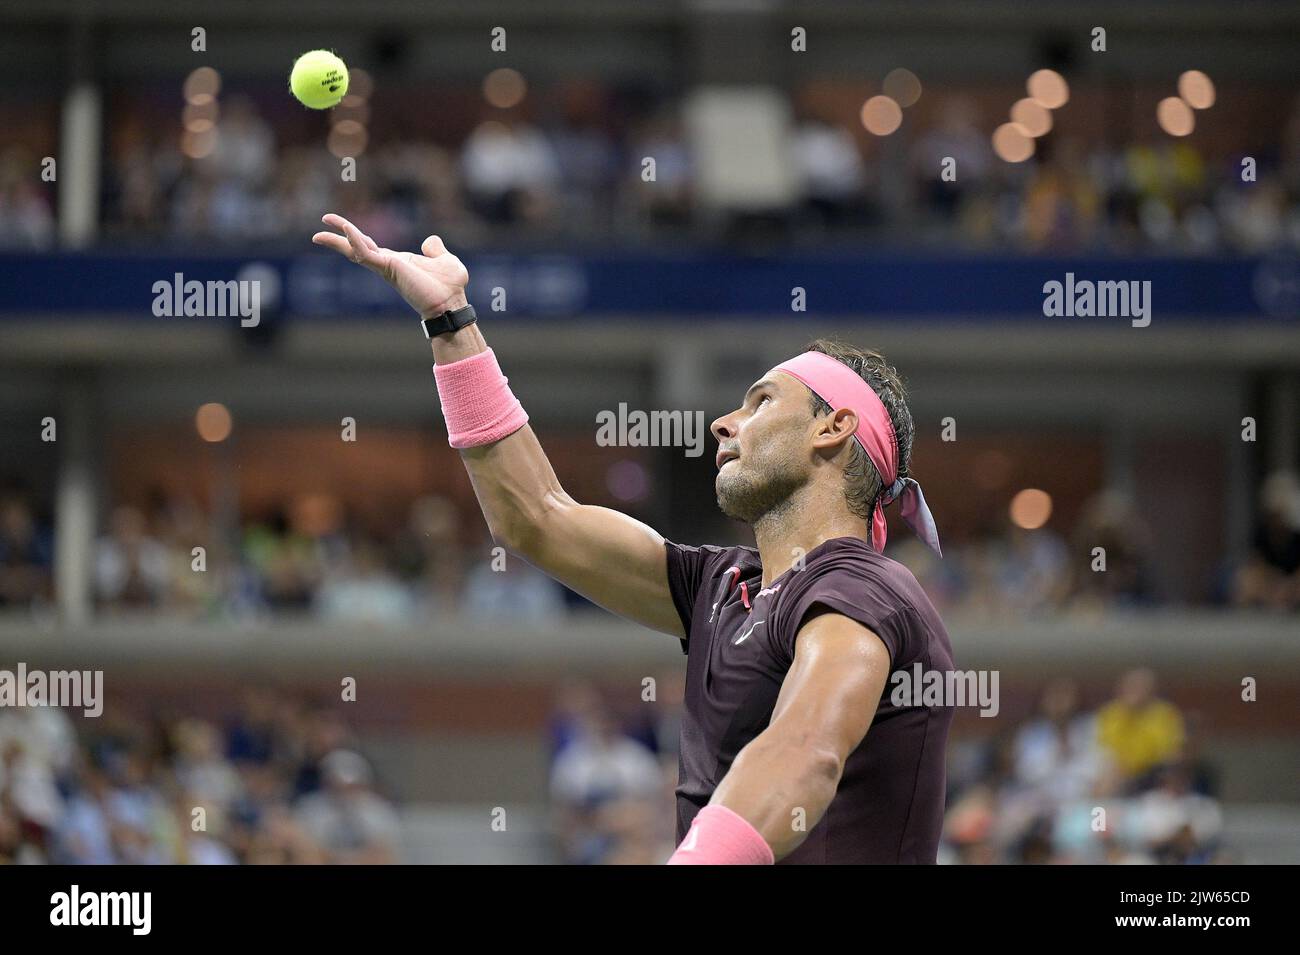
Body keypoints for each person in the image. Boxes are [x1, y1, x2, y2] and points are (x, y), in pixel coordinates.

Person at [311, 213, 955, 864]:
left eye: (760, 402)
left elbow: (804, 749)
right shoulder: (722, 587)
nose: (724, 424)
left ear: (833, 427)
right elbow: (536, 517)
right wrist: (451, 320)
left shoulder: (865, 586)